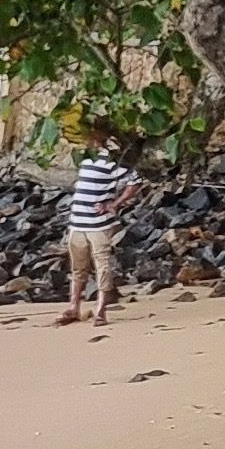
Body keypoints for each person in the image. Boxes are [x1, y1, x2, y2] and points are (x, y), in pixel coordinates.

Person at [57, 128, 139, 324]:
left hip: (98, 224)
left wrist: (114, 204)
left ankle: (101, 309)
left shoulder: (111, 160)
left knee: (103, 266)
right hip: (77, 222)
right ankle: (74, 307)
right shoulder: (85, 158)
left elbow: (135, 182)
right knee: (78, 268)